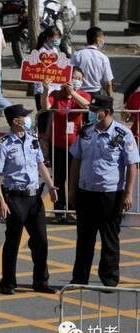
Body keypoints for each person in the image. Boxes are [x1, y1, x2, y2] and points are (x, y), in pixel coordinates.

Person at [68, 95, 139, 287]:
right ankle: (80, 277)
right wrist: (71, 190)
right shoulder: (85, 132)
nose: (91, 113)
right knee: (84, 238)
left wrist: (129, 193)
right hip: (86, 192)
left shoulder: (123, 134)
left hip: (111, 193)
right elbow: (76, 161)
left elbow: (132, 165)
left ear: (105, 112)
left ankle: (109, 278)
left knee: (109, 238)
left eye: (94, 110)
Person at [0, 104, 58, 295]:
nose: (28, 119)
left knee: (41, 240)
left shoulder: (33, 140)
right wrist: (1, 201)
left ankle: (41, 281)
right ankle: (8, 282)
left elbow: (40, 164)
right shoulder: (3, 144)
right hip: (15, 197)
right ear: (15, 121)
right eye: (24, 117)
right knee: (13, 241)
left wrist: (51, 185)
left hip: (34, 196)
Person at [40, 68, 91, 219]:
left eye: (79, 78)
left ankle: (74, 209)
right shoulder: (56, 95)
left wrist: (73, 93)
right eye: (73, 77)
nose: (76, 80)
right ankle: (59, 209)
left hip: (76, 146)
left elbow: (88, 106)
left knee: (74, 178)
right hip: (58, 145)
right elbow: (45, 107)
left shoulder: (82, 94)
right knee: (59, 178)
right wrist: (45, 89)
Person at [71, 27, 114, 98]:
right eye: (102, 37)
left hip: (79, 94)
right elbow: (108, 83)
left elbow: (70, 75)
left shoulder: (77, 55)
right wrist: (110, 98)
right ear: (98, 39)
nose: (103, 40)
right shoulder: (103, 58)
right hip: (96, 95)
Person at [33, 27, 63, 111]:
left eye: (59, 38)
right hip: (43, 91)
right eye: (55, 38)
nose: (57, 40)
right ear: (48, 38)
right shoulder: (42, 52)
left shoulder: (54, 49)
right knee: (44, 117)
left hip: (54, 89)